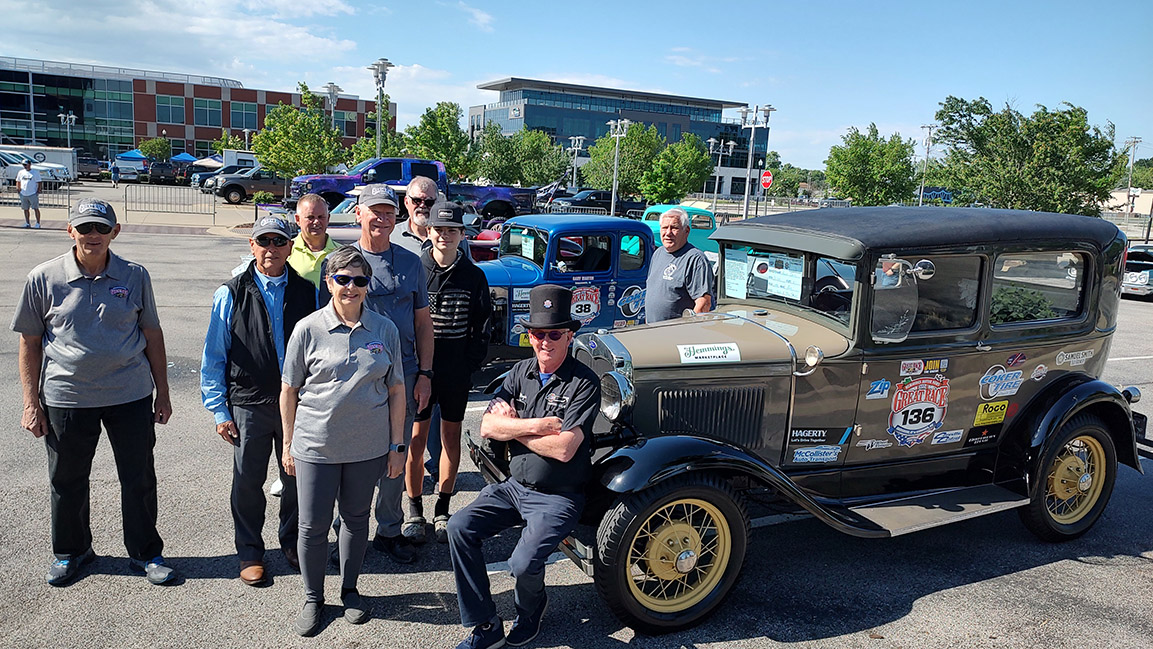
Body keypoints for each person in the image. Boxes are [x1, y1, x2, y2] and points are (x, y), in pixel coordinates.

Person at [12, 198, 177, 586]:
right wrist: (30, 403)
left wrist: (163, 393)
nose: (93, 235)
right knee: (67, 480)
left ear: (114, 232)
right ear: (69, 231)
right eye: (84, 228)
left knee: (138, 478)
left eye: (102, 228)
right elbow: (29, 343)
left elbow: (152, 334)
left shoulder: (135, 275)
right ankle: (72, 551)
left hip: (130, 394)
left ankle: (146, 553)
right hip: (67, 397)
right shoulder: (44, 277)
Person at [448, 284, 599, 649]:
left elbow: (564, 449)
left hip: (558, 496)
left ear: (569, 335)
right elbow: (486, 426)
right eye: (536, 333)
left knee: (522, 563)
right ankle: (486, 624)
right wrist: (538, 426)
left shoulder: (584, 382)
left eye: (554, 334)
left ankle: (531, 609)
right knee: (458, 527)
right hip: (514, 487)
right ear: (527, 335)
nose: (544, 341)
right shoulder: (520, 372)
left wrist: (511, 429)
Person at [280, 246, 408, 636]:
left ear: (368, 286)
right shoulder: (308, 328)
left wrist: (396, 446)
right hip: (316, 447)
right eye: (343, 279)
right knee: (312, 526)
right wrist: (287, 445)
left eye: (360, 280)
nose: (351, 287)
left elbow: (398, 390)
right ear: (329, 281)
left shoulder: (384, 329)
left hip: (367, 449)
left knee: (355, 521)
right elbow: (288, 390)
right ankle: (313, 597)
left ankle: (351, 590)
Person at [201, 216, 316, 586]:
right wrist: (220, 410)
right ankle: (250, 551)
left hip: (296, 403)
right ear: (252, 245)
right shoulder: (232, 292)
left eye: (278, 242)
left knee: (297, 478)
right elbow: (214, 356)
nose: (271, 248)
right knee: (248, 481)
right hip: (248, 402)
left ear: (289, 246)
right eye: (263, 241)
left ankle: (293, 542)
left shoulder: (307, 290)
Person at [321, 183, 433, 564]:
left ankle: (388, 529)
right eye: (374, 211)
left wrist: (426, 374)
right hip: (356, 379)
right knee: (350, 456)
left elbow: (422, 324)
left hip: (403, 375)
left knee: (395, 455)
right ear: (358, 213)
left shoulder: (411, 261)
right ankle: (347, 533)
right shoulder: (340, 264)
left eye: (388, 212)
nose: (383, 219)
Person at [405, 204, 491, 544]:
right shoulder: (417, 269)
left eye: (452, 230)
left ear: (461, 236)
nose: (445, 235)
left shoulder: (474, 275)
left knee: (449, 440)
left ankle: (442, 507)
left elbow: (483, 326)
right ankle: (414, 511)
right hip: (419, 371)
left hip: (455, 369)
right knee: (414, 440)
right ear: (428, 232)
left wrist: (469, 364)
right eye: (439, 229)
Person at [644, 207, 713, 323]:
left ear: (686, 231)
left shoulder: (695, 260)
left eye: (674, 228)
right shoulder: (658, 253)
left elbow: (704, 304)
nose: (668, 233)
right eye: (664, 228)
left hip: (675, 335)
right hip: (652, 331)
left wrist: (685, 331)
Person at [287, 193, 339, 287]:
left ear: (328, 218)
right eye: (310, 217)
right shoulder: (286, 251)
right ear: (297, 219)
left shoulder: (341, 252)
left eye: (321, 217)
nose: (316, 222)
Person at [17, 159, 42, 228]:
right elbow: (18, 181)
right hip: (23, 193)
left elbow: (39, 182)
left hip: (32, 193)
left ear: (29, 164)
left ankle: (38, 223)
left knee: (35, 208)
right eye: (23, 165)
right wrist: (18, 189)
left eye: (26, 164)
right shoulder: (21, 172)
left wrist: (38, 190)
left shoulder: (35, 172)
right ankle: (27, 222)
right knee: (25, 209)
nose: (25, 166)